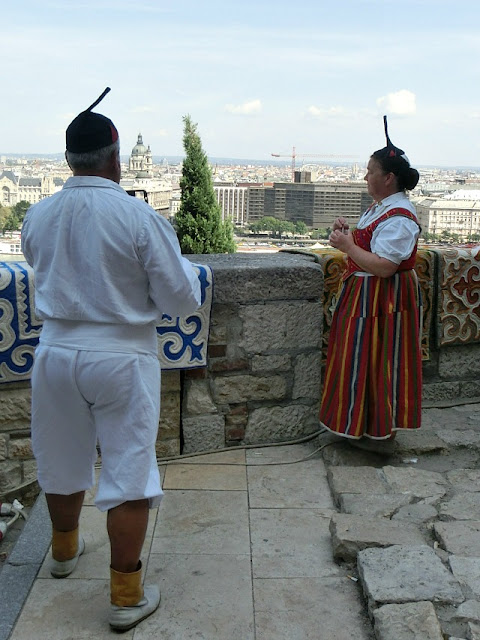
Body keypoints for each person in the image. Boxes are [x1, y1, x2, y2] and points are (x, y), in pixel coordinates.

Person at [21, 88, 201, 631]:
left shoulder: (40, 214)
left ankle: (63, 551)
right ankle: (126, 595)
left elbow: (39, 268)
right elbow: (179, 299)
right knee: (128, 471)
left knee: (60, 456)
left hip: (55, 351)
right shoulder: (138, 217)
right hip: (122, 355)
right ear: (116, 153)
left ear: (68, 158)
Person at [319, 116, 422, 451]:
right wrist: (349, 236)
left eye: (370, 171)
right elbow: (370, 250)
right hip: (366, 297)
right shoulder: (382, 208)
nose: (365, 177)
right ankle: (359, 426)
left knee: (377, 362)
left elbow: (386, 267)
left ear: (388, 178)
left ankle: (376, 432)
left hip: (382, 300)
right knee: (360, 359)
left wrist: (348, 247)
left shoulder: (400, 217)